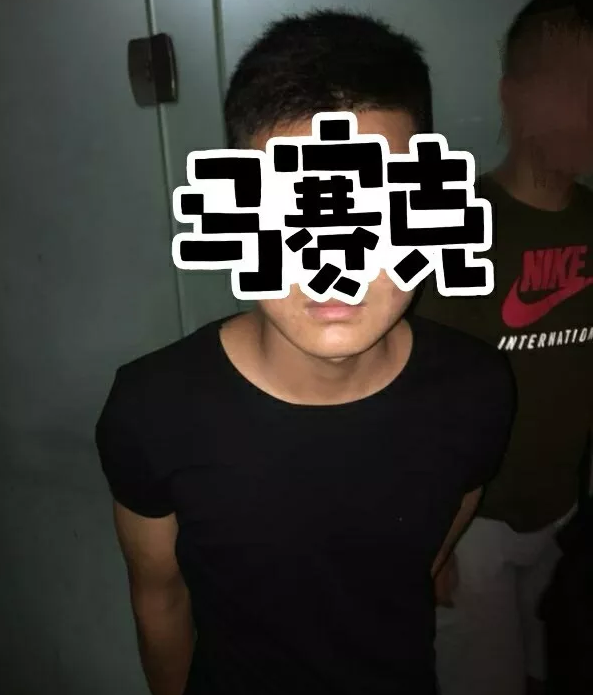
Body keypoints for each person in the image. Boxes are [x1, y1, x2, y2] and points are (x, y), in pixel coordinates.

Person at [95, 11, 515, 695]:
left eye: (375, 209)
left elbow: (430, 555)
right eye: (293, 212)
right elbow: (159, 598)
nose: (334, 258)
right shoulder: (151, 410)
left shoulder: (479, 389)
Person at [415, 2, 593, 695]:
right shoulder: (454, 223)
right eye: (569, 82)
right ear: (512, 96)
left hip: (569, 510)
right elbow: (412, 395)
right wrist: (432, 540)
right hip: (473, 525)